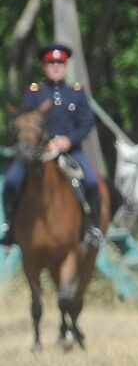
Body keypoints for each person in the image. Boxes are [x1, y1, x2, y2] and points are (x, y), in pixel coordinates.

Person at [1, 43, 104, 250]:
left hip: (71, 151)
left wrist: (68, 140)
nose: (56, 66)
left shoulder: (76, 92)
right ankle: (10, 228)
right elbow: (24, 119)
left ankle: (93, 229)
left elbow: (87, 122)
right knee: (11, 181)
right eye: (51, 62)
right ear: (44, 66)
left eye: (60, 62)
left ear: (65, 66)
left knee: (93, 182)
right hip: (37, 154)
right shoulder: (34, 93)